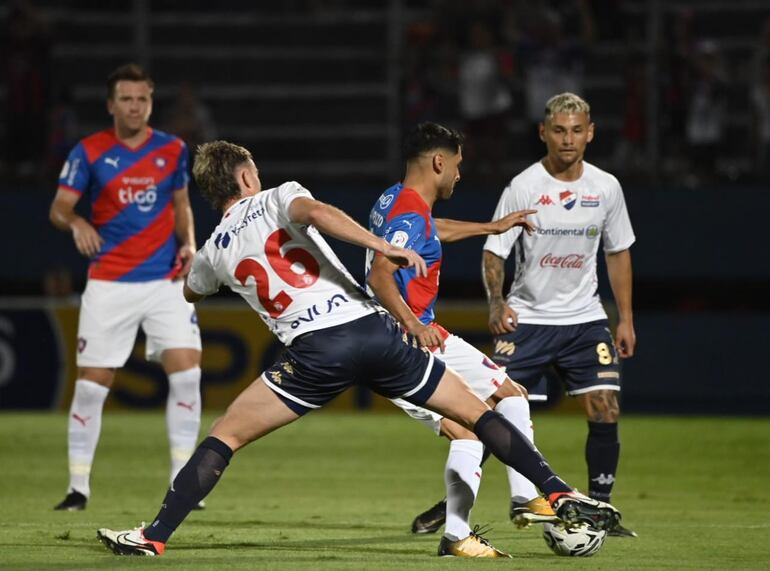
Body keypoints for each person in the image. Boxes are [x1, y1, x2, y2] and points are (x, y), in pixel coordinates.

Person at [94, 140, 620, 557]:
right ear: (247, 176)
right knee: (477, 412)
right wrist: (381, 245)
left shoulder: (212, 253)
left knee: (225, 436)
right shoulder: (279, 196)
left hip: (313, 355)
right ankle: (554, 490)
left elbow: (189, 290)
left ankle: (156, 535)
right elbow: (318, 212)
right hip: (374, 332)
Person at [366, 122, 558, 556]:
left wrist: (492, 228)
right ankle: (457, 535)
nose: (459, 174)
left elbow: (432, 229)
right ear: (438, 162)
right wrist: (412, 325)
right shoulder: (409, 213)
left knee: (510, 394)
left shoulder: (396, 199)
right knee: (467, 433)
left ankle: (524, 497)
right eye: (457, 164)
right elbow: (381, 273)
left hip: (424, 333)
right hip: (400, 342)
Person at [481, 92, 637, 537]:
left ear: (590, 133)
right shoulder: (525, 186)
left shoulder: (605, 188)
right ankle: (455, 502)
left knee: (605, 408)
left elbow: (618, 253)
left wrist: (624, 317)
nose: (567, 139)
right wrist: (496, 301)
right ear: (543, 133)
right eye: (558, 130)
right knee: (487, 411)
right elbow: (495, 251)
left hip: (584, 319)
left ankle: (600, 509)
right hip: (528, 318)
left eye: (576, 130)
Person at [49, 64, 202, 511]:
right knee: (93, 385)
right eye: (127, 99)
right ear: (111, 104)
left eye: (143, 99)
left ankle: (182, 484)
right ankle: (78, 487)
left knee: (188, 374)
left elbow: (181, 205)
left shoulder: (172, 149)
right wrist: (77, 221)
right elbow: (59, 207)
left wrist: (189, 244)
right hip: (109, 283)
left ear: (151, 103)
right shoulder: (90, 151)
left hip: (164, 282)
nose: (135, 107)